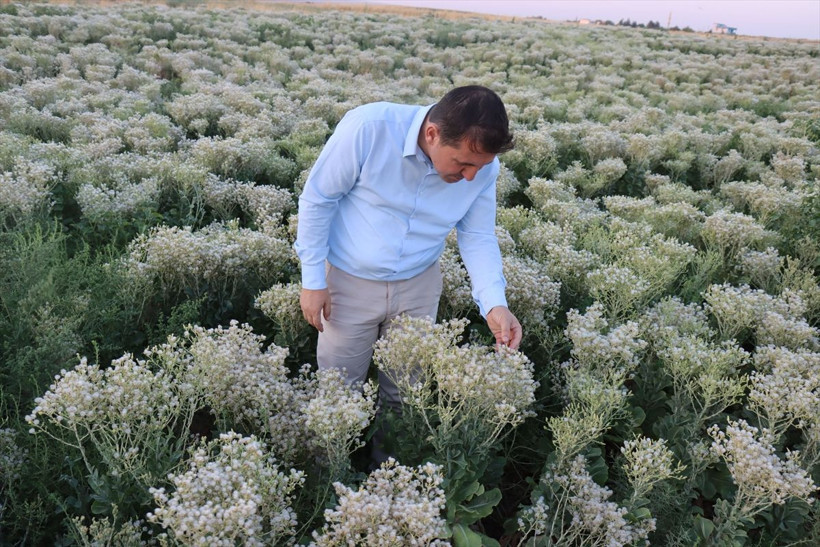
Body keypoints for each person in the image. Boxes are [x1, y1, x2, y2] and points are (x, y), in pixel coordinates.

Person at [294, 85, 522, 415]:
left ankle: (389, 463)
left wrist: (494, 303)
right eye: (463, 163)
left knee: (405, 395)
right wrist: (313, 281)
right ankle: (332, 466)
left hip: (419, 285)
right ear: (432, 133)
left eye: (480, 167)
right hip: (348, 283)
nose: (471, 176)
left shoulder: (483, 167)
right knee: (338, 391)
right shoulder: (369, 127)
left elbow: (477, 235)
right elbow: (318, 200)